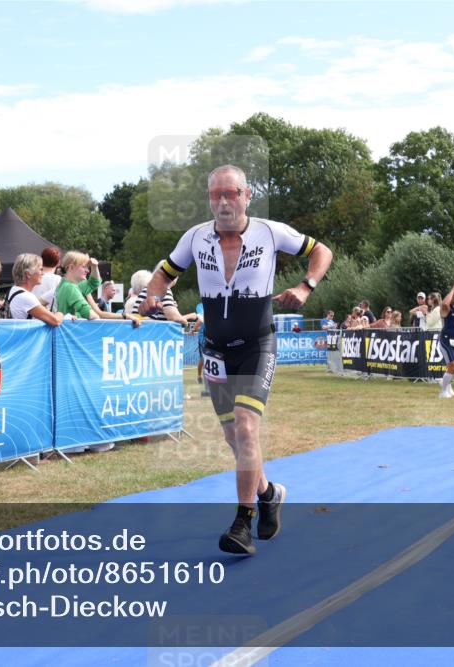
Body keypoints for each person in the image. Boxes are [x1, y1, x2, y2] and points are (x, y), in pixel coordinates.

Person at [140, 164, 332, 556]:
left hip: (257, 345)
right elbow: (163, 273)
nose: (224, 201)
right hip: (215, 350)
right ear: (210, 199)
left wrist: (306, 286)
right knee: (233, 437)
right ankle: (268, 493)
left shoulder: (270, 231)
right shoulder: (195, 238)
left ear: (246, 195)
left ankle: (242, 522)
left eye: (231, 193)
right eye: (216, 195)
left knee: (246, 430)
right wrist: (155, 295)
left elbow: (322, 251)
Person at [5, 253, 65, 326]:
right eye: (40, 270)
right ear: (28, 274)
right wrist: (61, 313)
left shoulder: (13, 289)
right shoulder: (26, 297)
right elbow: (55, 321)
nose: (43, 273)